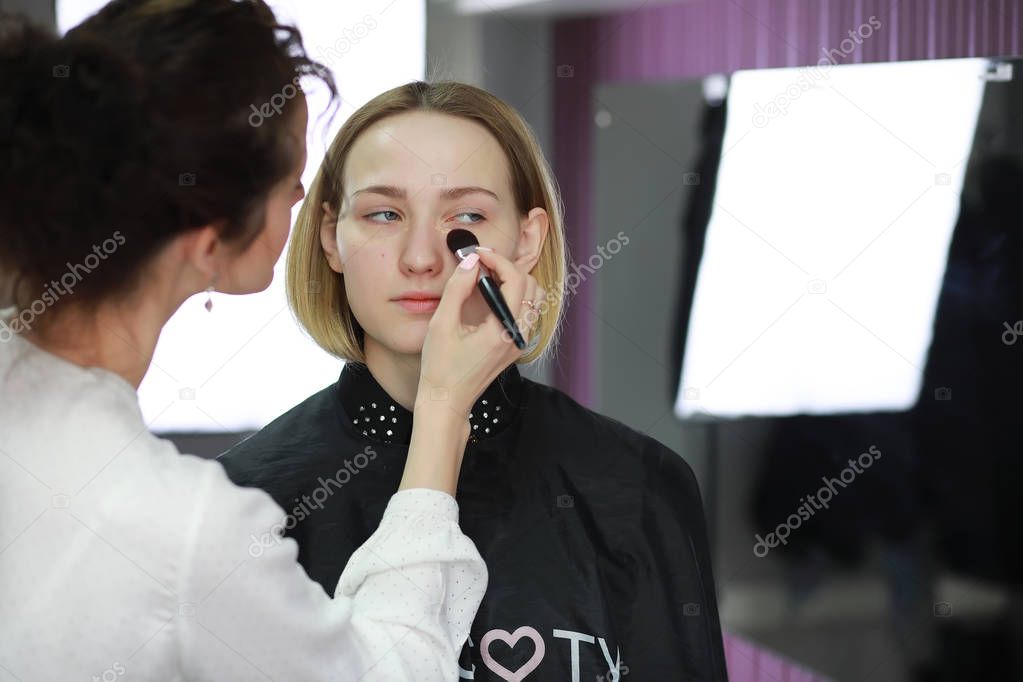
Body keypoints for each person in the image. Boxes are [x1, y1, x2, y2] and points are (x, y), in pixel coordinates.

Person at [0, 4, 530, 680]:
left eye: (463, 214)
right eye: (290, 186)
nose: (422, 256)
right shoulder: (187, 530)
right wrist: (443, 408)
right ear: (210, 238)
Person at [220, 80, 729, 681]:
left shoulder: (640, 485)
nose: (420, 258)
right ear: (332, 237)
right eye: (384, 214)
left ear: (528, 238)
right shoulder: (239, 506)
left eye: (466, 216)